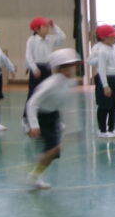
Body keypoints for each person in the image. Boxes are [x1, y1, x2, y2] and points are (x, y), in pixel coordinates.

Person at [25, 48, 81, 190]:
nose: (73, 69)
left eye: (74, 65)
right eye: (70, 65)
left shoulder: (69, 82)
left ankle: (35, 175)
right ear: (61, 68)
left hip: (53, 116)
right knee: (53, 149)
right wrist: (34, 125)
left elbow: (67, 106)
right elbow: (32, 103)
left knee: (53, 152)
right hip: (40, 116)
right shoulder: (51, 83)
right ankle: (33, 175)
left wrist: (71, 128)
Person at [23, 16, 66, 126]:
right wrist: (34, 68)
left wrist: (54, 26)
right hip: (37, 69)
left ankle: (55, 120)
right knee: (32, 94)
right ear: (37, 29)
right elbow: (29, 56)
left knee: (51, 94)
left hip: (47, 68)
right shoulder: (31, 40)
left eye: (48, 26)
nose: (47, 28)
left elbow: (62, 37)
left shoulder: (50, 39)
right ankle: (26, 119)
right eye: (45, 26)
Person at [89, 24, 115, 138]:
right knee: (104, 106)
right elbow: (102, 69)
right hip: (105, 79)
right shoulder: (102, 50)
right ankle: (102, 130)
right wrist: (105, 86)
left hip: (114, 78)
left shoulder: (114, 49)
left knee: (113, 105)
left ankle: (111, 128)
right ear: (104, 38)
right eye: (113, 36)